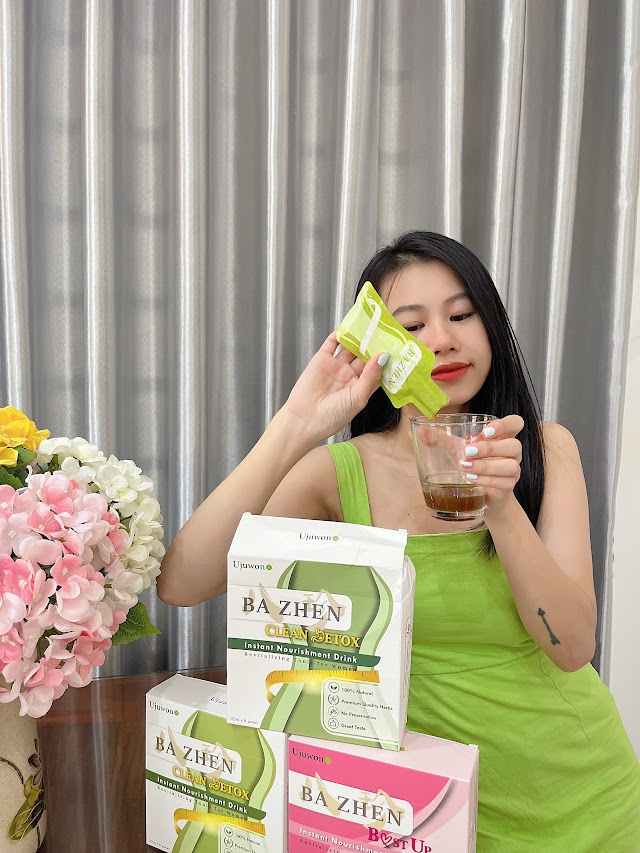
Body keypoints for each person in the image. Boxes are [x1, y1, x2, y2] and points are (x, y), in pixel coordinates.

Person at [159, 231, 640, 851]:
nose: (441, 339)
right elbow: (182, 583)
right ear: (377, 347)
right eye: (411, 326)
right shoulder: (340, 474)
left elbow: (571, 648)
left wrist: (500, 506)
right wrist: (297, 424)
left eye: (461, 315)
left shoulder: (547, 449)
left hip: (584, 796)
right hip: (422, 811)